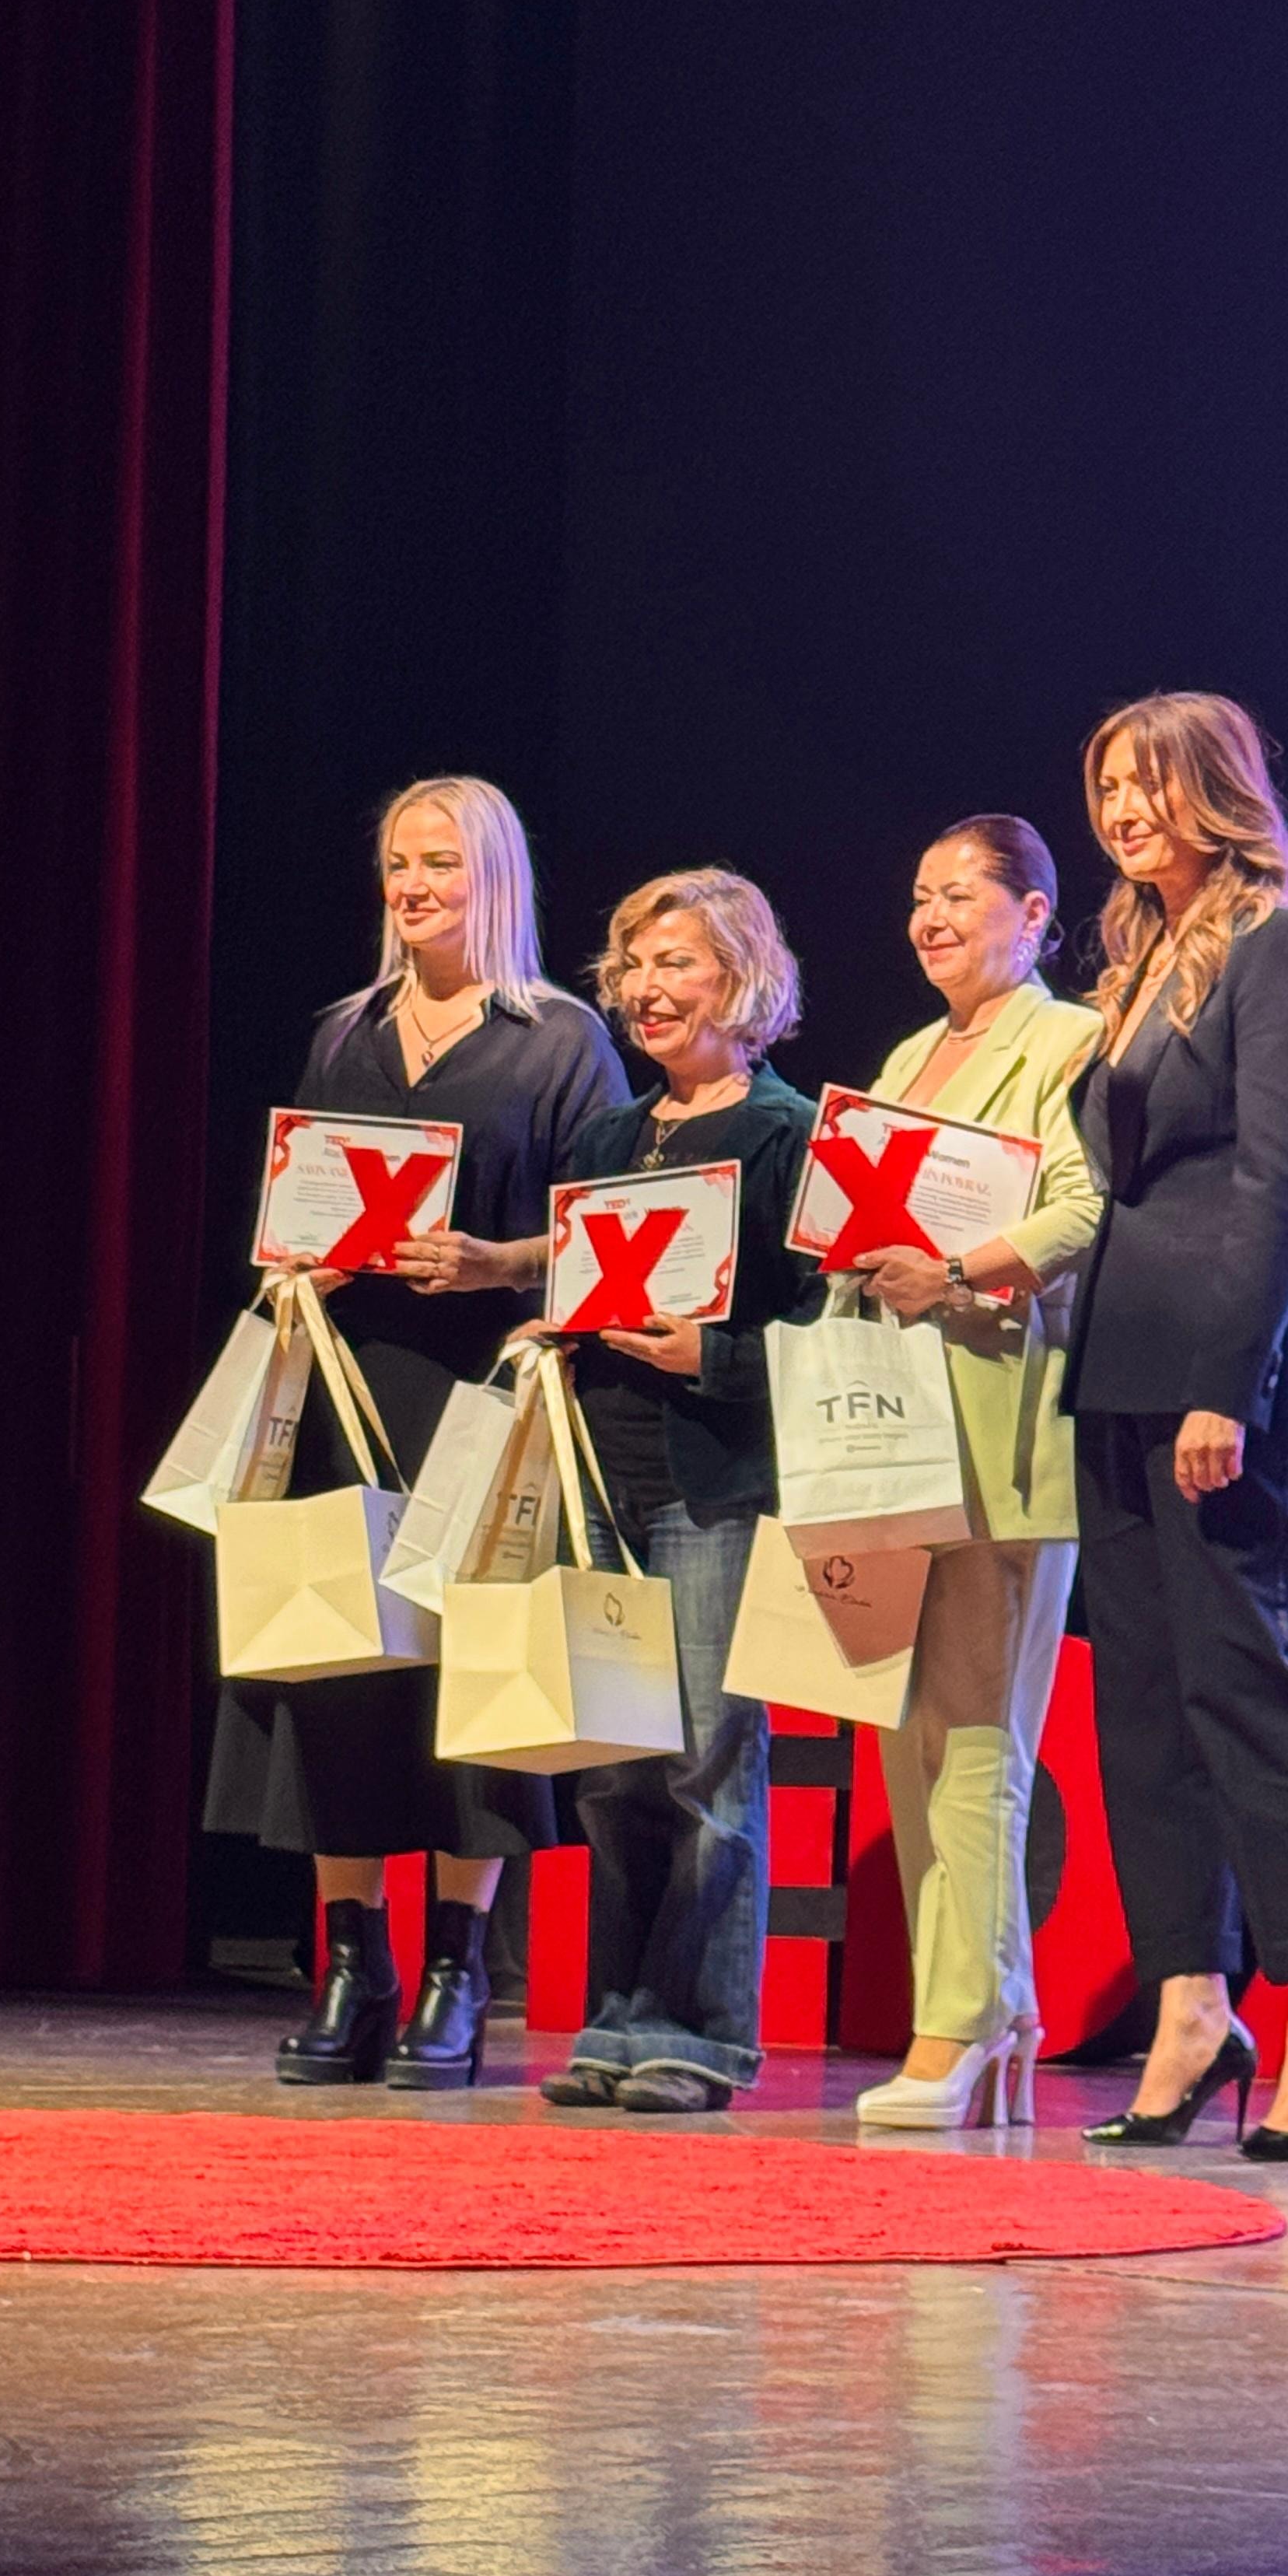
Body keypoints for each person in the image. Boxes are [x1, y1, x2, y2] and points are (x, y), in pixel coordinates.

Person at [204, 775, 626, 2087]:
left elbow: (612, 1234)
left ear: (492, 876)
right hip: (346, 1391)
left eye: (441, 862)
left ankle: (458, 1972)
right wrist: (302, 1262)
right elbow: (293, 1210)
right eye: (398, 862)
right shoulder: (344, 1033)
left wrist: (499, 1263)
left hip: (475, 1396)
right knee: (336, 1671)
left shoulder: (560, 1041)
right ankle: (353, 1966)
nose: (414, 886)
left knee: (466, 1682)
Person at [1063, 691, 1288, 2161]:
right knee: (1142, 1706)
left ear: (1219, 792)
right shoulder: (1138, 960)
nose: (1126, 810)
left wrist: (1224, 1384)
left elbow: (1279, 1182)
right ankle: (1191, 2007)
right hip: (1114, 1366)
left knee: (1252, 1689)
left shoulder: (1278, 948)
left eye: (1153, 783)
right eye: (1109, 788)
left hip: (1221, 1371)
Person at [517, 870, 816, 2114]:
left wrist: (714, 1358)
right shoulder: (606, 1140)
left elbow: (826, 1331)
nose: (647, 989)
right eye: (634, 965)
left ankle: (704, 2033)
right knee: (612, 1771)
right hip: (604, 1476)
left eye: (676, 963)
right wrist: (556, 1330)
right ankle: (621, 2015)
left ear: (740, 978)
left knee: (705, 1765)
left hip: (716, 1483)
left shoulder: (787, 1135)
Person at [846, 817, 1104, 2130]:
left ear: (1036, 914)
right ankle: (989, 2014)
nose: (931, 917)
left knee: (981, 1738)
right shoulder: (907, 1056)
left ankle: (963, 2024)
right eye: (919, 895)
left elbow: (1085, 1210)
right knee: (914, 1739)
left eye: (960, 894)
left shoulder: (1069, 1041)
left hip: (1001, 1422)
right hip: (895, 1428)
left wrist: (953, 1271)